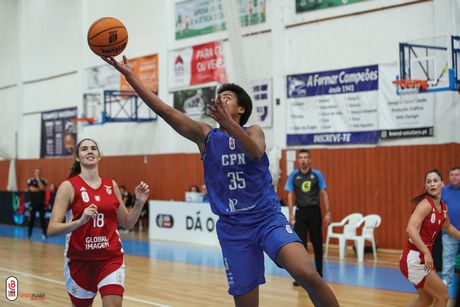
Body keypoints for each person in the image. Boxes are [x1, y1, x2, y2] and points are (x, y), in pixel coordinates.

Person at [103, 55, 339, 307]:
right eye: (219, 97)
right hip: (233, 228)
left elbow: (255, 152)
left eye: (227, 97)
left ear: (241, 110)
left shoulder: (253, 131)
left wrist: (229, 124)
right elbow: (165, 110)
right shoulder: (205, 136)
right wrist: (130, 77)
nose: (220, 100)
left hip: (266, 218)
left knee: (308, 274)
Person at [47, 138, 150, 307]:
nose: (90, 151)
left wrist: (139, 203)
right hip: (79, 260)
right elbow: (51, 229)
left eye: (93, 148)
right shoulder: (68, 187)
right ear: (78, 158)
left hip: (110, 257)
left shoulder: (111, 185)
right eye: (85, 149)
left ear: (99, 156)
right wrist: (80, 221)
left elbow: (127, 222)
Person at [400, 169, 460, 307]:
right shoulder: (425, 205)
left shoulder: (443, 207)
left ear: (442, 184)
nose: (432, 184)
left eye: (435, 180)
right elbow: (410, 229)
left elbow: (448, 228)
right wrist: (426, 252)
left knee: (425, 300)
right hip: (414, 259)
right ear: (426, 186)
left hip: (421, 259)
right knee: (443, 296)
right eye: (428, 182)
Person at [284, 149, 331, 283]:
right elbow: (290, 194)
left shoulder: (317, 175)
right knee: (300, 245)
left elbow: (324, 193)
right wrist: (291, 214)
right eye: (301, 157)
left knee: (317, 243)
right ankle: (301, 277)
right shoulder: (294, 175)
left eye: (305, 157)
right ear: (298, 160)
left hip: (314, 212)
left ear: (309, 160)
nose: (303, 160)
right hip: (300, 213)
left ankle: (319, 274)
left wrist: (328, 212)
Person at [441, 166, 460, 286]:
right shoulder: (443, 191)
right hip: (449, 232)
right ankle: (446, 280)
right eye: (452, 174)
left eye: (457, 174)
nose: (454, 177)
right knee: (448, 257)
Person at [27, 168, 48, 239]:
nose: (37, 173)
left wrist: (38, 180)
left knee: (42, 219)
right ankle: (29, 234)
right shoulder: (30, 180)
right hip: (33, 203)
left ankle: (44, 234)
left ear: (40, 173)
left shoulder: (44, 180)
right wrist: (39, 190)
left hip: (41, 203)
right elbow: (31, 189)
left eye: (38, 172)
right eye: (36, 172)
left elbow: (42, 187)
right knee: (31, 219)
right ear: (34, 173)